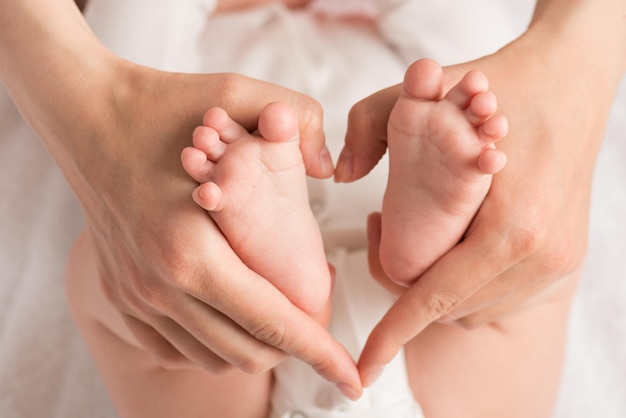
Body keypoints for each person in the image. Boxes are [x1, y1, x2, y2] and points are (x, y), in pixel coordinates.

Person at [0, 0, 624, 416]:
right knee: (506, 263)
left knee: (148, 297)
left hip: (207, 223)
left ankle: (291, 272)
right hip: (413, 335)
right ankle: (413, 250)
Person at [67, 56, 510, 417]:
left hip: (239, 290)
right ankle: (422, 264)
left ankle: (295, 291)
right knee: (506, 271)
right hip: (423, 319)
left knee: (142, 279)